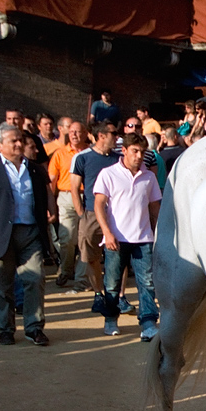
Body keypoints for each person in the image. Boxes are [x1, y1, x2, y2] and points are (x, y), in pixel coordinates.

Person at [0, 124, 54, 346]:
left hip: (30, 232)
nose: (19, 144)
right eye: (13, 141)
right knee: (3, 285)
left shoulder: (34, 169)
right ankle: (5, 328)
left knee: (35, 278)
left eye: (20, 140)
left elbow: (44, 196)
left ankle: (34, 328)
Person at [93, 133, 161, 341]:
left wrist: (158, 234)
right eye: (135, 151)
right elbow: (99, 205)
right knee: (112, 283)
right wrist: (107, 232)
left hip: (143, 239)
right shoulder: (108, 174)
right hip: (115, 239)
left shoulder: (148, 177)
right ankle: (111, 319)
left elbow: (155, 207)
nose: (139, 156)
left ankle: (148, 323)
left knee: (147, 282)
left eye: (142, 152)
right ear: (124, 151)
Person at [70, 121, 119, 304]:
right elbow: (74, 188)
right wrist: (81, 213)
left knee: (117, 257)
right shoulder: (82, 158)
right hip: (91, 213)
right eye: (114, 133)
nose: (117, 137)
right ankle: (98, 293)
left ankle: (117, 296)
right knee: (91, 257)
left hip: (115, 215)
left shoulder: (118, 158)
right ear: (101, 136)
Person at [48, 121, 89, 287]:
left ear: (85, 133)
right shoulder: (60, 154)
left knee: (85, 239)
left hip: (87, 197)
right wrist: (49, 205)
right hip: (66, 197)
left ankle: (81, 276)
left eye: (78, 132)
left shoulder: (91, 152)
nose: (74, 135)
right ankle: (65, 270)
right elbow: (52, 180)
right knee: (67, 237)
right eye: (71, 131)